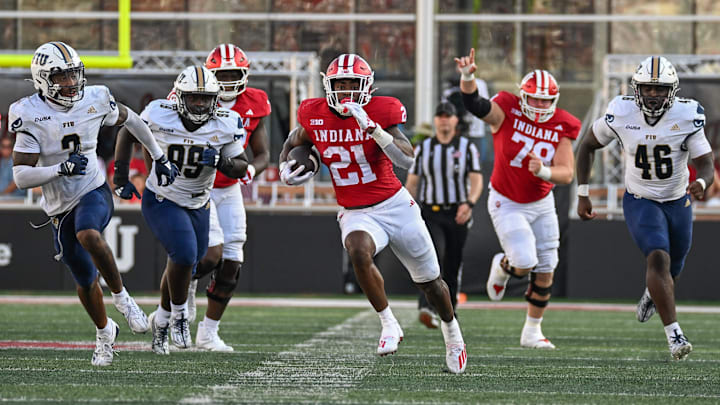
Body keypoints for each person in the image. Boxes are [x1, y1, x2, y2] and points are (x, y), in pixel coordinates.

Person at [279, 54, 467, 373]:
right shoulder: (314, 113)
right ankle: (389, 323)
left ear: (367, 88)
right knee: (358, 250)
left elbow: (408, 160)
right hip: (355, 209)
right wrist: (285, 166)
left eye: (354, 85)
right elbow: (294, 140)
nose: (347, 92)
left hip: (395, 205)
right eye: (341, 85)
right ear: (329, 86)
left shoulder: (383, 110)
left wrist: (374, 129)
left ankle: (453, 335)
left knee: (431, 282)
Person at [8, 41, 178, 366]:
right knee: (84, 280)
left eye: (73, 74)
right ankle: (104, 333)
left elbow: (134, 121)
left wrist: (159, 157)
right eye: (61, 77)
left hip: (93, 189)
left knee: (88, 233)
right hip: (59, 207)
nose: (71, 83)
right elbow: (22, 175)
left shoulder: (96, 97)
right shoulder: (28, 112)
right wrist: (59, 168)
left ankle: (123, 298)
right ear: (43, 79)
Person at [575, 56, 715, 360]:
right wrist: (583, 193)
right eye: (648, 88)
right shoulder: (621, 111)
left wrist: (703, 183)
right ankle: (674, 335)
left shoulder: (688, 114)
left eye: (660, 88)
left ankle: (653, 293)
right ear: (637, 88)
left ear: (672, 91)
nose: (653, 94)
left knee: (673, 269)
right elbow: (586, 146)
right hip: (640, 200)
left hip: (678, 202)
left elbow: (705, 163)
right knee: (658, 257)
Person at [114, 65, 248, 355]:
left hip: (199, 201)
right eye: (193, 98)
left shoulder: (226, 122)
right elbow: (128, 132)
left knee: (190, 262)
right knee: (185, 254)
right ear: (179, 97)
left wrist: (222, 163)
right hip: (162, 197)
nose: (199, 104)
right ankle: (179, 317)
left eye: (205, 98)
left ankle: (160, 321)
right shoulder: (159, 113)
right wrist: (121, 176)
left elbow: (242, 165)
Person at [455, 48, 580, 349]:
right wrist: (468, 77)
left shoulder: (562, 122)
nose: (539, 105)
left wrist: (545, 171)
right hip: (507, 200)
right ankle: (505, 265)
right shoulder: (507, 109)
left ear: (554, 101)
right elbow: (475, 104)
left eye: (545, 100)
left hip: (542, 203)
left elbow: (566, 173)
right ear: (523, 96)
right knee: (525, 261)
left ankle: (532, 331)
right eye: (534, 99)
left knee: (547, 266)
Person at [183, 44, 271, 352]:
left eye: (234, 74)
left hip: (229, 187)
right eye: (223, 75)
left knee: (233, 262)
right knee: (210, 256)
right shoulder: (194, 95)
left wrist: (251, 171)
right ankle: (176, 303)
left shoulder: (256, 102)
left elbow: (262, 154)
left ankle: (208, 333)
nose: (229, 81)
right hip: (198, 184)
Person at [405, 101, 483, 329]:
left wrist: (469, 204)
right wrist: (408, 209)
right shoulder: (424, 148)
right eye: (440, 115)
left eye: (448, 115)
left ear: (455, 120)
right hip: (431, 211)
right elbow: (412, 183)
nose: (444, 119)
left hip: (457, 211)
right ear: (436, 120)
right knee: (431, 255)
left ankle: (450, 310)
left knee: (452, 263)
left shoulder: (467, 147)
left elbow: (476, 179)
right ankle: (427, 306)